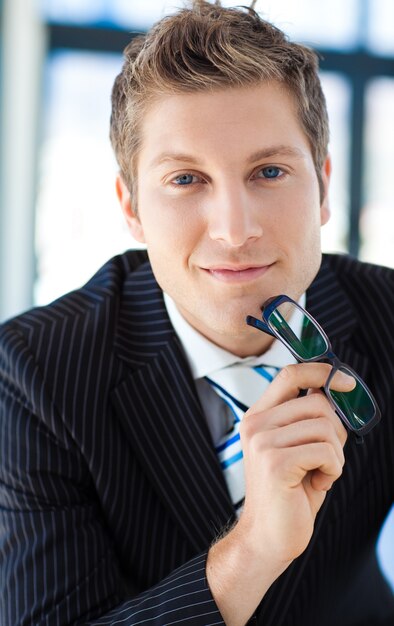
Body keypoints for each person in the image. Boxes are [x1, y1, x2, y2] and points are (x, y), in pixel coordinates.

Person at [0, 1, 393, 624]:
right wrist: (252, 552)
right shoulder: (32, 372)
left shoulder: (387, 315)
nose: (235, 231)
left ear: (321, 184)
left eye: (269, 171)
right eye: (186, 180)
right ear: (131, 208)